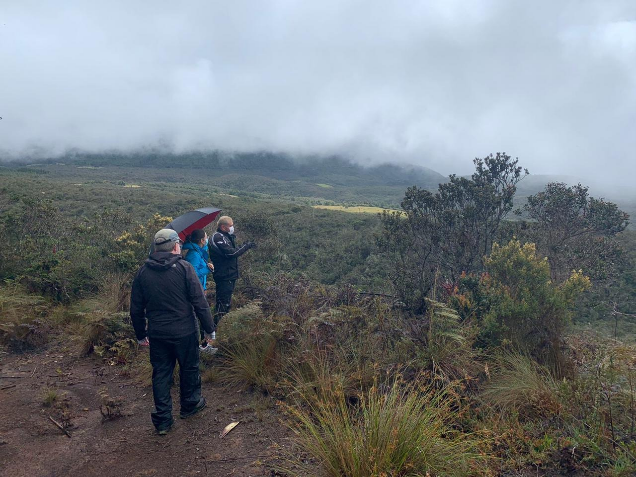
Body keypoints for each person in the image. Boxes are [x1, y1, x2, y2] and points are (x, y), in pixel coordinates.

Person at [130, 228, 215, 435]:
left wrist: (141, 335)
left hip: (158, 333)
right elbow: (199, 302)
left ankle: (163, 420)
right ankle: (190, 405)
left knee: (161, 373)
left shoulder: (143, 272)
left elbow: (136, 309)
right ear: (176, 246)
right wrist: (209, 330)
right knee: (189, 368)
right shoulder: (185, 268)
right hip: (185, 331)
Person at [207, 216, 256, 340]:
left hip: (228, 275)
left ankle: (218, 330)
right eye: (231, 225)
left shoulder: (224, 237)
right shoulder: (218, 237)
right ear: (223, 227)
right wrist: (246, 246)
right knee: (223, 304)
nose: (232, 227)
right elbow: (231, 253)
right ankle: (217, 332)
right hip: (224, 275)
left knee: (224, 303)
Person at [182, 229, 217, 353]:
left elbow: (205, 247)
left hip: (201, 288)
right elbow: (194, 274)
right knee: (199, 315)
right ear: (202, 240)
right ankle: (201, 345)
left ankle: (203, 344)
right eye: (206, 237)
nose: (207, 239)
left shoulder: (198, 251)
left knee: (201, 315)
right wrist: (207, 270)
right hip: (197, 290)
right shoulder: (194, 254)